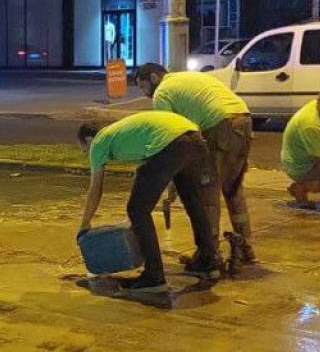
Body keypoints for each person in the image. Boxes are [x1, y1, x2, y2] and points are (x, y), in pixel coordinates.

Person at [77, 111, 219, 292]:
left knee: (137, 210)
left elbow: (96, 189)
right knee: (192, 200)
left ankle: (154, 276)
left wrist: (84, 223)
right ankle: (209, 261)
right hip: (194, 139)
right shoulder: (123, 134)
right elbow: (151, 170)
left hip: (171, 143)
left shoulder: (98, 143)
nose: (87, 154)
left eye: (84, 149)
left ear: (88, 140)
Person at [133, 63, 256, 269]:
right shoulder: (185, 78)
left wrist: (169, 181)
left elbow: (172, 137)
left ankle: (210, 255)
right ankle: (246, 248)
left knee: (207, 193)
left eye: (142, 86)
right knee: (233, 189)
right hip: (243, 119)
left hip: (219, 125)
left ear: (154, 78)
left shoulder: (162, 93)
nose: (144, 93)